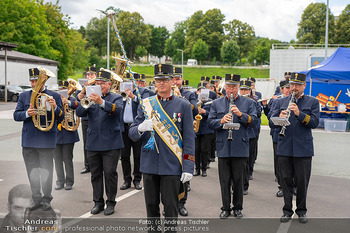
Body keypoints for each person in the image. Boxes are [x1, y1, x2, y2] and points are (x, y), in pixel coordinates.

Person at [129, 64, 195, 233]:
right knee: (151, 206)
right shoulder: (146, 104)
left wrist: (188, 166)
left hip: (171, 165)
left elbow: (188, 138)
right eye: (158, 80)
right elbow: (132, 133)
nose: (161, 83)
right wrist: (141, 128)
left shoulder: (184, 106)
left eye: (165, 80)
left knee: (171, 206)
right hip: (149, 163)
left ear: (172, 81)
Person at [269, 72, 320, 224]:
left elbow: (314, 123)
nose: (294, 87)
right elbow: (271, 122)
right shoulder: (280, 101)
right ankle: (286, 210)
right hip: (284, 146)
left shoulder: (313, 102)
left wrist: (299, 113)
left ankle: (302, 210)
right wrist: (280, 116)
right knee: (285, 180)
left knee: (302, 181)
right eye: (292, 85)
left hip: (303, 148)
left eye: (298, 85)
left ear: (304, 86)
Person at [13, 68, 64, 211]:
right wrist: (27, 113)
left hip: (46, 140)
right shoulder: (24, 96)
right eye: (32, 81)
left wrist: (54, 108)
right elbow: (16, 115)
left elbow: (61, 117)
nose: (34, 83)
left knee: (46, 171)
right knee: (32, 171)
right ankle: (36, 198)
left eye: (37, 81)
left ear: (44, 81)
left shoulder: (54, 96)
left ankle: (47, 199)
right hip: (29, 141)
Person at [208, 74, 257, 219]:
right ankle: (225, 208)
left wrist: (241, 114)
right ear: (224, 88)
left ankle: (238, 208)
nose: (231, 90)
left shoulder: (248, 103)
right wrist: (221, 120)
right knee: (224, 180)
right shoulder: (217, 103)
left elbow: (254, 121)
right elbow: (210, 122)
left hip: (240, 146)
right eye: (228, 86)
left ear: (238, 87)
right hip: (223, 146)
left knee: (238, 180)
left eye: (234, 87)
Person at [76, 70, 124, 216]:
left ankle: (111, 202)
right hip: (93, 142)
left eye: (103, 83)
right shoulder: (89, 98)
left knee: (110, 173)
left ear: (109, 84)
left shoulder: (116, 98)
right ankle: (98, 202)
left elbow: (117, 111)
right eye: (98, 83)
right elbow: (79, 113)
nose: (100, 85)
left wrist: (101, 102)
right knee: (95, 174)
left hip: (111, 143)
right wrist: (82, 99)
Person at [120, 73, 154, 191]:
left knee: (137, 155)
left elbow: (145, 104)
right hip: (124, 128)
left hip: (137, 127)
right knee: (124, 155)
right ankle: (126, 179)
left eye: (130, 81)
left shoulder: (142, 91)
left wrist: (133, 96)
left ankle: (137, 179)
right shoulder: (121, 91)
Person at [172, 67, 198, 217]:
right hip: (168, 138)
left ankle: (182, 204)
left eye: (178, 79)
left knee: (183, 176)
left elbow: (194, 109)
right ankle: (169, 204)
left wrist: (181, 98)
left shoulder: (189, 94)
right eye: (173, 79)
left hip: (183, 138)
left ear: (182, 80)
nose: (176, 82)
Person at [262, 79, 290, 198]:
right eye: (287, 88)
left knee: (292, 162)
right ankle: (281, 186)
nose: (289, 90)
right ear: (282, 89)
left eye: (290, 87)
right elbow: (269, 116)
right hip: (278, 134)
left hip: (292, 135)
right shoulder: (277, 100)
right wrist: (266, 106)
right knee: (279, 162)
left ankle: (292, 185)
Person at [54, 81, 80, 191]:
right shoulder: (54, 100)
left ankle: (69, 181)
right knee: (57, 159)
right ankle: (60, 181)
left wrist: (67, 102)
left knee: (67, 158)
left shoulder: (72, 99)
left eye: (64, 89)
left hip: (68, 134)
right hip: (56, 133)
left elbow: (77, 105)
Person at [239, 80, 261, 195]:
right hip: (238, 133)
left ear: (250, 90)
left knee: (247, 160)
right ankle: (236, 184)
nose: (243, 91)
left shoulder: (255, 101)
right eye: (242, 89)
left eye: (246, 89)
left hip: (251, 133)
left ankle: (245, 185)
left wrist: (251, 103)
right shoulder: (236, 101)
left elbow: (257, 115)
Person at [79, 66, 97, 174]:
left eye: (92, 75)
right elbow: (79, 97)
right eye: (88, 75)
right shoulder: (84, 86)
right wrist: (83, 90)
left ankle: (95, 164)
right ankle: (87, 165)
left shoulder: (98, 86)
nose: (90, 76)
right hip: (85, 118)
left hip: (95, 117)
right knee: (86, 142)